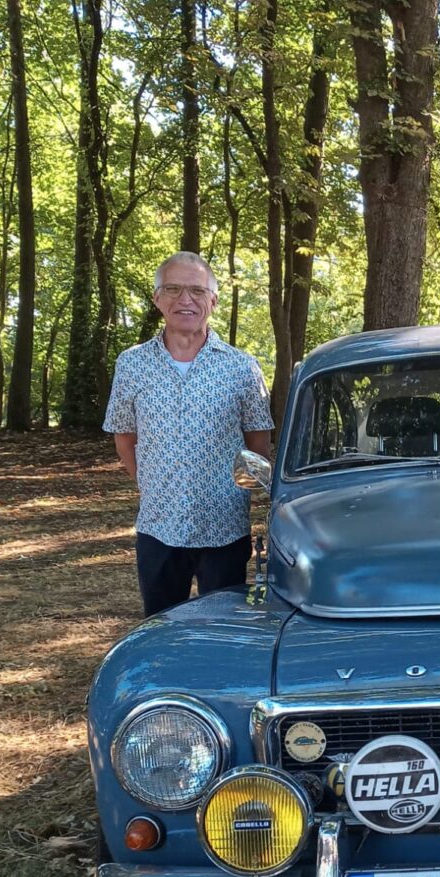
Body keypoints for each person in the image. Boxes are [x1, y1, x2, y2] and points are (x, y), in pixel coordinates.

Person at [103, 252, 274, 617]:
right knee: (161, 627)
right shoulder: (131, 364)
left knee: (224, 627)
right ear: (156, 298)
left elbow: (258, 443)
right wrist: (151, 484)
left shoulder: (242, 367)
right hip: (158, 525)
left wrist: (240, 493)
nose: (185, 300)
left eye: (197, 291)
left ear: (212, 300)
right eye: (174, 289)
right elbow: (124, 437)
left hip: (224, 526)